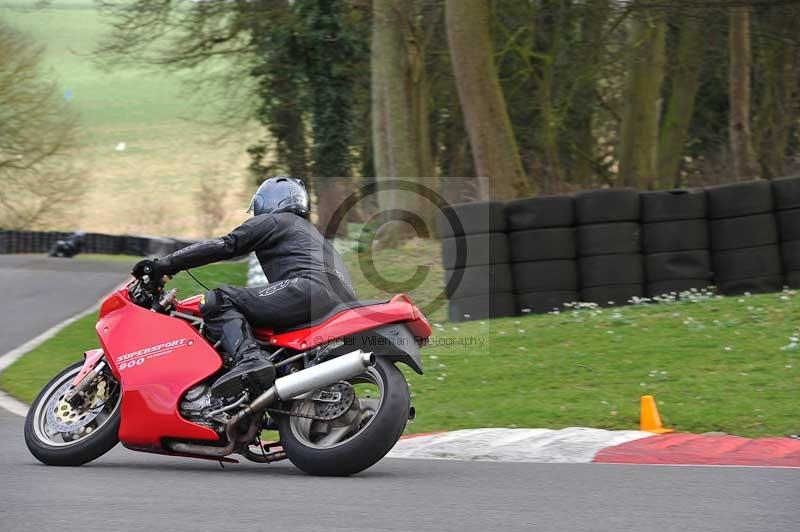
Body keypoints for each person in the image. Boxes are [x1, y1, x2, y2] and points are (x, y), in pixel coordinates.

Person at [132, 176, 356, 397]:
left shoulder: (276, 221)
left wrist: (163, 265)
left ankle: (249, 359)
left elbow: (226, 245)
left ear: (268, 201)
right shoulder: (314, 235)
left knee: (218, 299)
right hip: (339, 303)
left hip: (307, 289)